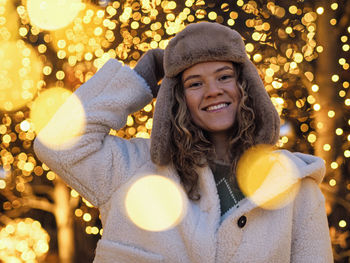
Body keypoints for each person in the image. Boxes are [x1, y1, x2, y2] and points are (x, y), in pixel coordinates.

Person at [34, 22, 333, 262]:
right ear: (177, 98)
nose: (213, 91)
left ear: (245, 87)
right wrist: (141, 79)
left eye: (224, 77)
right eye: (195, 83)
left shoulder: (295, 186)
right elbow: (57, 143)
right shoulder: (133, 170)